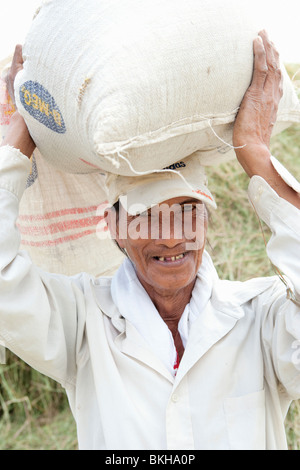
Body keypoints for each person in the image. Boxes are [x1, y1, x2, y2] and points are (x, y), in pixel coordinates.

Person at [0, 30, 300, 450]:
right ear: (115, 227)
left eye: (188, 211)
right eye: (147, 216)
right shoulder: (81, 324)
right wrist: (18, 143)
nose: (173, 236)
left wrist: (255, 154)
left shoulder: (263, 318)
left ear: (208, 221)